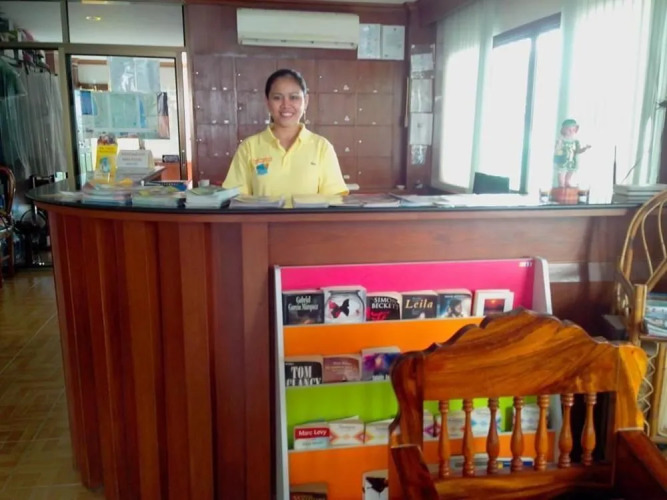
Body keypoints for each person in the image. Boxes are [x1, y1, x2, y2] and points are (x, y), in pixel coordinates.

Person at [222, 69, 348, 197]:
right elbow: (235, 199)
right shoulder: (249, 147)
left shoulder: (322, 147)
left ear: (306, 101)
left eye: (293, 97)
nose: (286, 105)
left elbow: (335, 200)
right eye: (277, 98)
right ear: (267, 102)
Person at [553, 118, 591, 188]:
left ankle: (567, 183)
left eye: (573, 130)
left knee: (570, 173)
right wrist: (558, 146)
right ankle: (561, 185)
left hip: (572, 161)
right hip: (563, 160)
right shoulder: (561, 139)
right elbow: (556, 150)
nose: (571, 132)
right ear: (564, 130)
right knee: (562, 174)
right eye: (569, 129)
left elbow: (578, 151)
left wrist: (585, 148)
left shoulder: (575, 141)